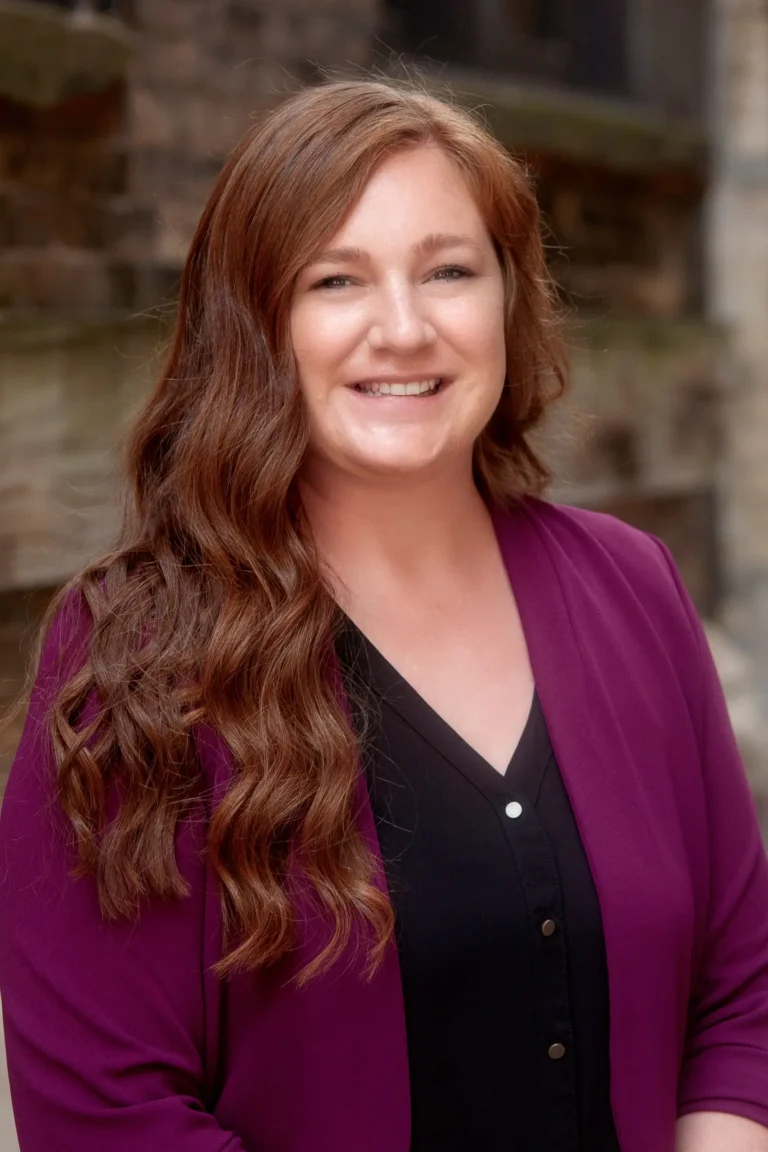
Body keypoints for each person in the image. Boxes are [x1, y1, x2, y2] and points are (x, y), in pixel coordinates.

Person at [1, 76, 767, 1152]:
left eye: (449, 270)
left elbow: (741, 995)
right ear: (256, 322)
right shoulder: (137, 655)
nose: (402, 329)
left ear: (509, 296)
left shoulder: (632, 588)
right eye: (335, 281)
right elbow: (106, 1113)